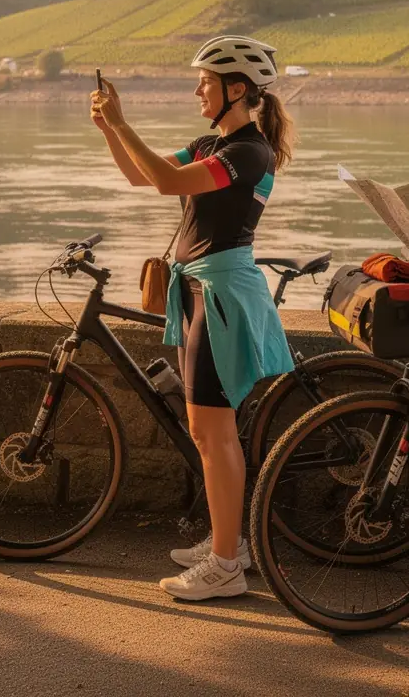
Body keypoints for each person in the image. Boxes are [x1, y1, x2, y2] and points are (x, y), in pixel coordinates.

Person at [90, 35, 296, 601]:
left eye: (205, 81)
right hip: (200, 293)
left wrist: (124, 122)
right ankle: (230, 542)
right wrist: (111, 129)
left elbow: (167, 181)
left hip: (223, 296)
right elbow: (141, 177)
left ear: (237, 89)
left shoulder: (249, 153)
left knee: (214, 431)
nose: (197, 90)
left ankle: (226, 565)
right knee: (208, 431)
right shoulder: (213, 142)